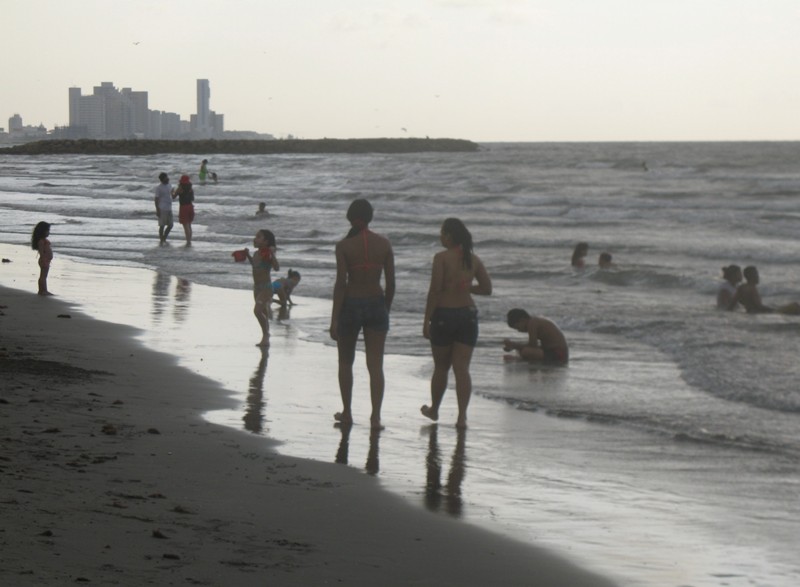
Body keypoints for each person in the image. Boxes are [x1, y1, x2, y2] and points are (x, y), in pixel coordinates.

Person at [329, 199, 395, 429]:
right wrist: (385, 309)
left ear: (350, 217)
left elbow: (340, 284)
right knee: (375, 366)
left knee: (346, 362)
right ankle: (376, 417)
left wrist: (334, 319)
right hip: (376, 303)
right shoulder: (384, 244)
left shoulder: (344, 246)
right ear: (370, 217)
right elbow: (391, 284)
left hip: (351, 304)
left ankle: (347, 412)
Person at [421, 218, 492, 429]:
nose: (440, 237)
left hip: (445, 315)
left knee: (441, 367)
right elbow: (487, 288)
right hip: (468, 315)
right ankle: (462, 417)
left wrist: (426, 319)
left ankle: (435, 409)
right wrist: (467, 288)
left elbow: (435, 290)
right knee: (462, 369)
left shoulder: (441, 258)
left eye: (442, 233)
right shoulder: (473, 259)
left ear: (450, 235)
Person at [244, 229, 280, 346]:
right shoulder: (256, 254)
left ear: (266, 242)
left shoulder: (267, 254)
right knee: (263, 312)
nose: (255, 239)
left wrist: (272, 254)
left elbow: (277, 268)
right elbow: (255, 266)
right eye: (256, 236)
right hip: (257, 288)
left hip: (266, 288)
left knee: (257, 311)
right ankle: (266, 337)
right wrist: (248, 256)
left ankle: (266, 335)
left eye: (259, 237)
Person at [503, 309, 569, 365]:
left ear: (523, 320)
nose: (519, 331)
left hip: (559, 354)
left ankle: (522, 360)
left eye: (518, 327)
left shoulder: (532, 323)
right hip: (552, 351)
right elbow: (533, 345)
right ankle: (527, 360)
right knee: (522, 350)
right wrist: (514, 346)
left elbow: (533, 345)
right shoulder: (534, 321)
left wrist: (514, 345)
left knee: (526, 351)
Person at [732, 266, 800, 315]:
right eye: (756, 274)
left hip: (750, 312)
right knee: (795, 306)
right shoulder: (752, 288)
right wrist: (773, 310)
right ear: (752, 276)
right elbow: (759, 307)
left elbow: (732, 304)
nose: (758, 277)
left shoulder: (741, 287)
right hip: (758, 313)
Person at [31, 221, 54, 296]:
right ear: (42, 231)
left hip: (46, 260)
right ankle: (43, 290)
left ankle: (42, 290)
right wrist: (44, 259)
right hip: (44, 260)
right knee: (43, 276)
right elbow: (41, 252)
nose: (49, 233)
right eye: (47, 231)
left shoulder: (44, 240)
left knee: (44, 276)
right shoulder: (41, 241)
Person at [173, 175, 195, 246]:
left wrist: (171, 192)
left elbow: (173, 197)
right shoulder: (190, 188)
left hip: (183, 207)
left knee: (185, 226)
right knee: (189, 224)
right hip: (190, 206)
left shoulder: (180, 188)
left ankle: (188, 241)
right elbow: (192, 199)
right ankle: (189, 240)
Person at [154, 172, 174, 244]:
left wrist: (177, 191)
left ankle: (164, 238)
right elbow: (156, 199)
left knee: (171, 225)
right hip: (162, 208)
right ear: (162, 179)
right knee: (162, 225)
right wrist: (157, 209)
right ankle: (161, 240)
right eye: (166, 177)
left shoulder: (170, 185)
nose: (168, 178)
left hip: (169, 208)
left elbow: (173, 195)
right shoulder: (159, 188)